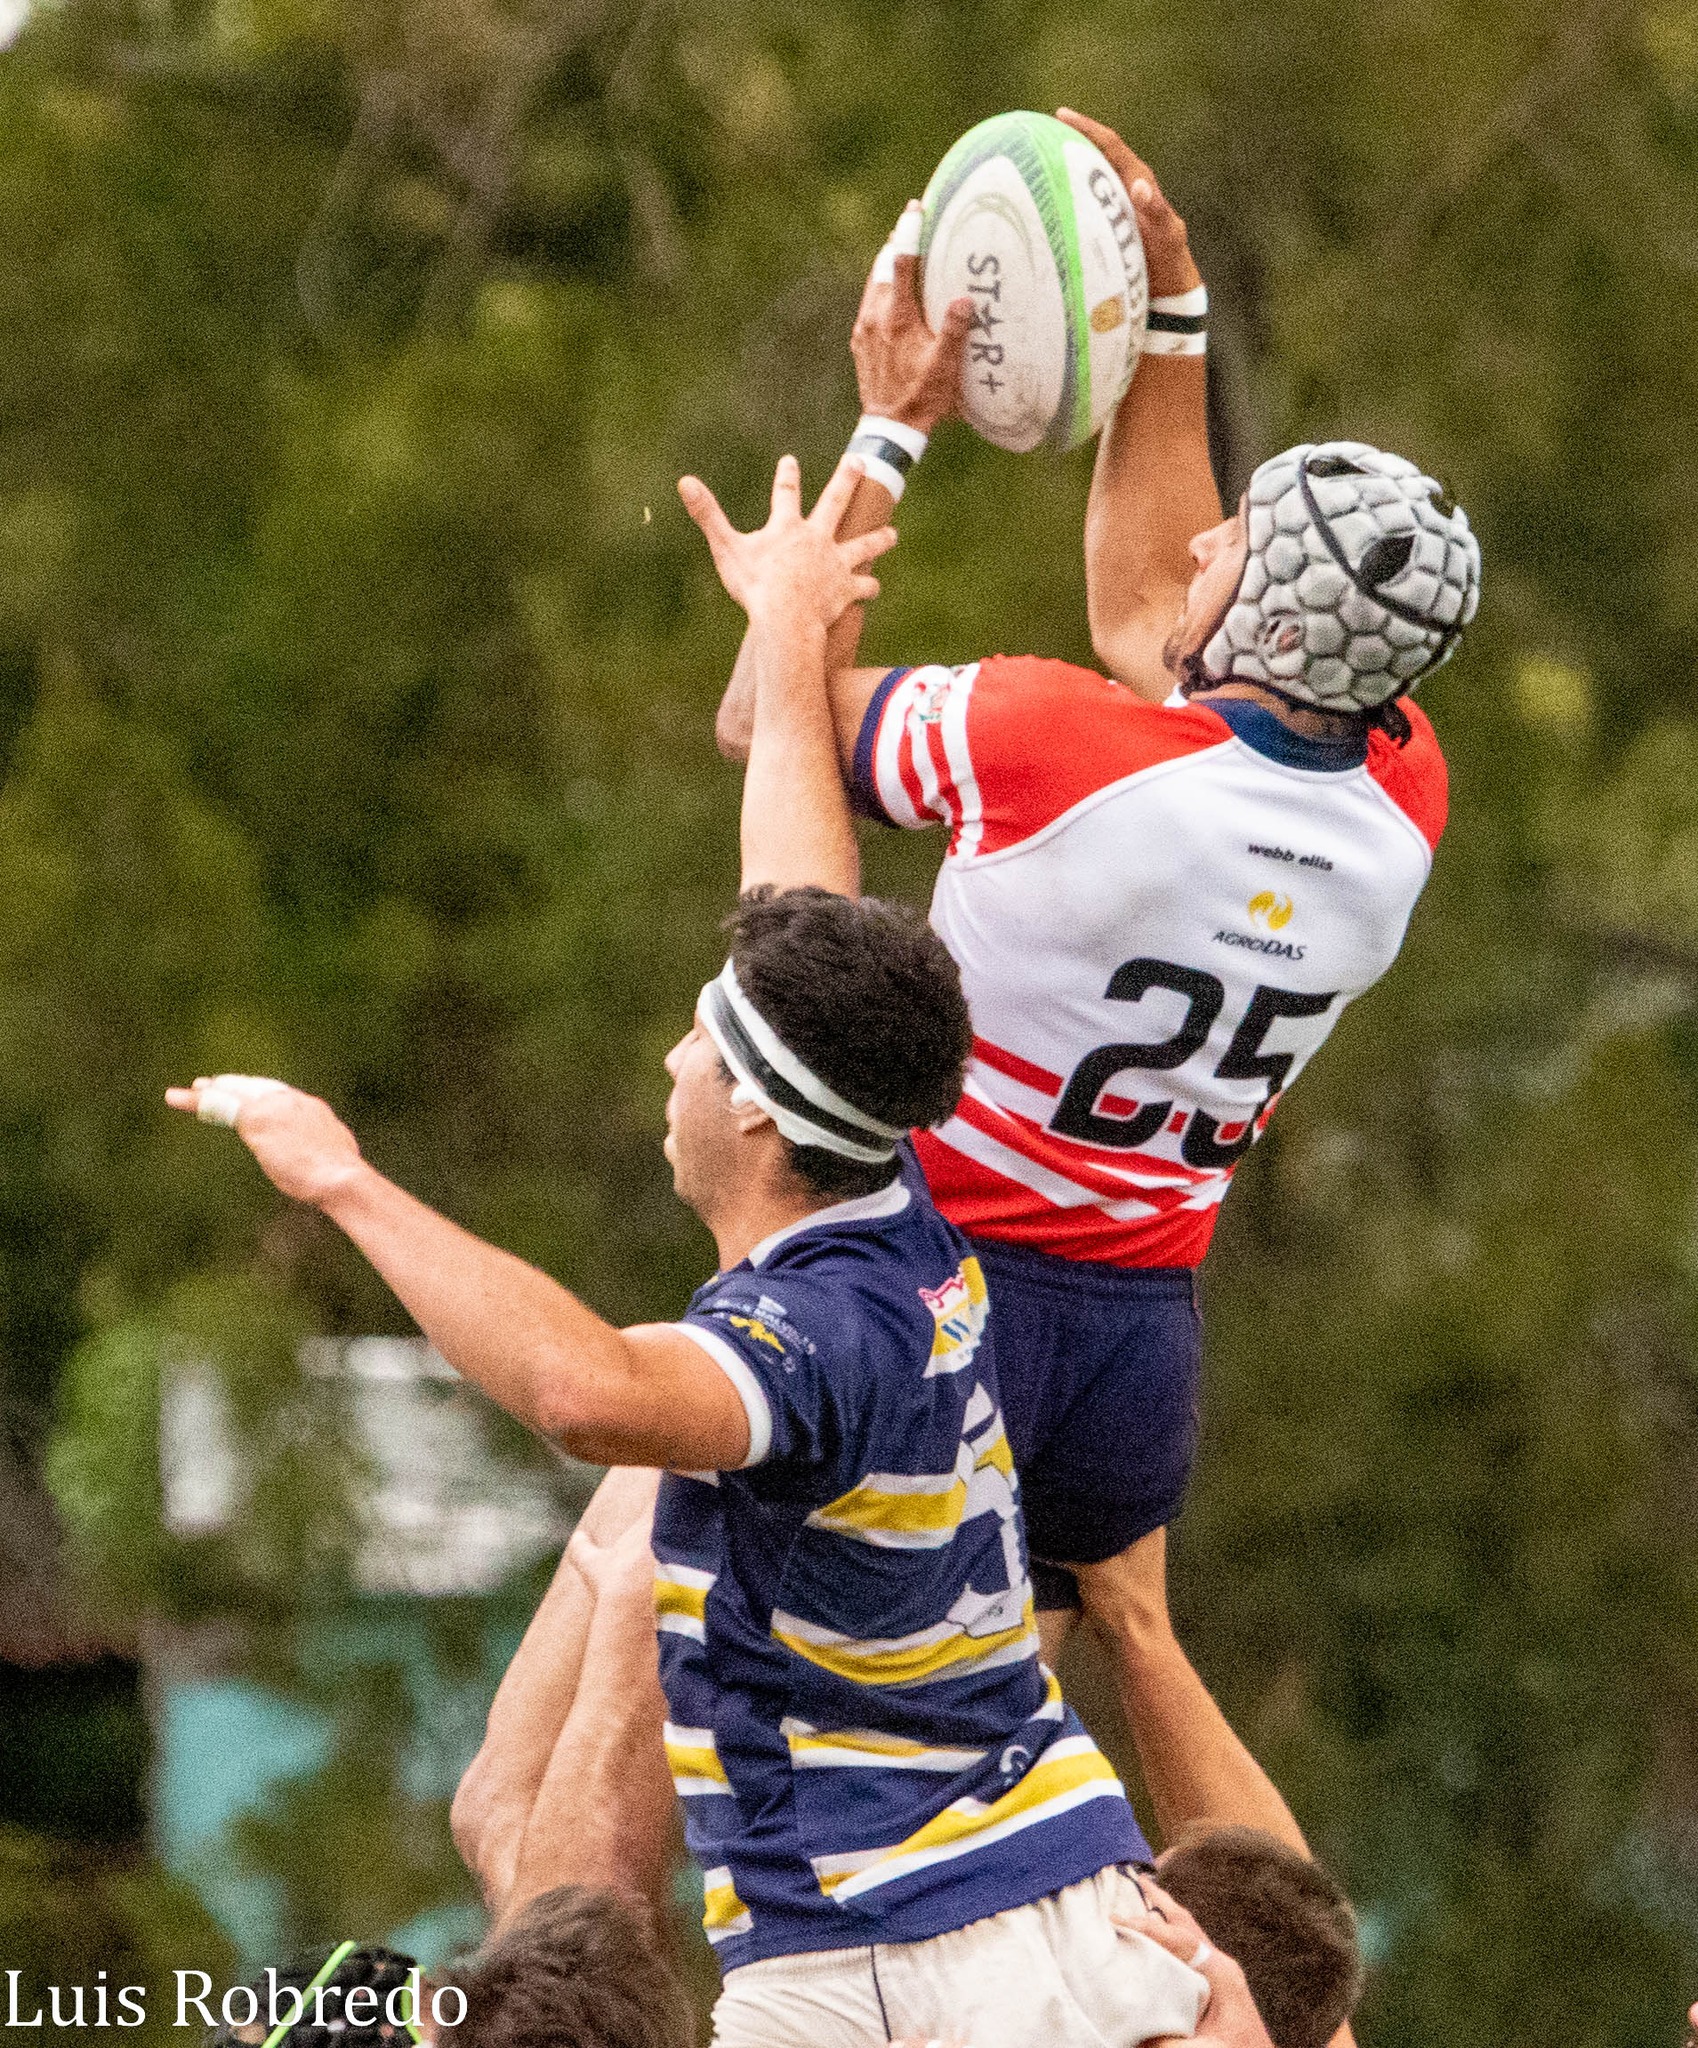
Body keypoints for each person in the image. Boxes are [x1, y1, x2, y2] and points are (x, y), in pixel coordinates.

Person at [166, 460, 1223, 2048]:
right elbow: (794, 881)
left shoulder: (825, 1341)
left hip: (912, 1951)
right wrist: (793, 615)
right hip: (982, 1893)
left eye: (692, 1044)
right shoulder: (883, 1194)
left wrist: (343, 1183)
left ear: (750, 1115)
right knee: (514, 1819)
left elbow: (584, 1394)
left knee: (555, 1836)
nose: (667, 1065)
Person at [705, 108, 1482, 1884]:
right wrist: (1173, 324)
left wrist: (882, 438)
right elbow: (1170, 607)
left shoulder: (1048, 744)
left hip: (935, 1285)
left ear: (1256, 625)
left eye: (1234, 550)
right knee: (1030, 1766)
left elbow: (772, 717)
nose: (1198, 553)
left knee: (841, 1795)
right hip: (1132, 1338)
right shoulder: (1403, 799)